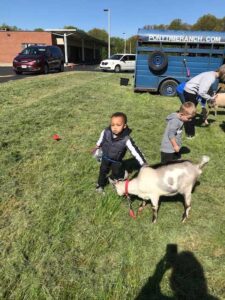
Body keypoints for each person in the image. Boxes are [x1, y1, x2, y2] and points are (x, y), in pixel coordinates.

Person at [92, 112, 147, 193]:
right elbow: (101, 139)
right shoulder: (106, 132)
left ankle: (113, 178)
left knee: (117, 172)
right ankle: (100, 185)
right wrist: (97, 146)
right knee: (103, 171)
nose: (114, 127)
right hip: (105, 157)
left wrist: (143, 163)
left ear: (124, 126)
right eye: (112, 125)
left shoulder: (126, 139)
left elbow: (135, 151)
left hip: (116, 161)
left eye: (118, 125)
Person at [183, 64, 225, 138]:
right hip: (190, 91)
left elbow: (206, 87)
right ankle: (190, 135)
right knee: (191, 113)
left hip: (189, 90)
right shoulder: (211, 77)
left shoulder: (212, 74)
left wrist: (211, 94)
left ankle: (186, 129)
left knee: (189, 112)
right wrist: (211, 98)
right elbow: (201, 92)